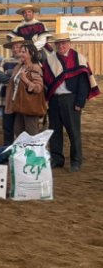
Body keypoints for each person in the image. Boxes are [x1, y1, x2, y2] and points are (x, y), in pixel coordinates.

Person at [42, 35, 100, 172]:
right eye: (58, 44)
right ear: (55, 45)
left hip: (71, 99)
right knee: (54, 131)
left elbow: (84, 83)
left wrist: (80, 102)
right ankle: (57, 159)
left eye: (64, 43)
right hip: (54, 100)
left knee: (73, 132)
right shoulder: (50, 60)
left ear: (69, 43)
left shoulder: (79, 58)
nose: (61, 46)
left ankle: (76, 161)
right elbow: (46, 81)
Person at [4, 42, 46, 137]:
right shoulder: (19, 67)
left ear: (31, 54)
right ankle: (22, 152)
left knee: (31, 136)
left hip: (30, 107)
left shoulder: (35, 68)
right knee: (19, 134)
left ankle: (34, 152)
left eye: (24, 52)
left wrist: (26, 80)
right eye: (20, 52)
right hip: (19, 106)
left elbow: (38, 88)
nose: (20, 54)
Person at [0, 36, 24, 145]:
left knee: (21, 128)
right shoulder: (5, 60)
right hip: (6, 100)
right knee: (7, 127)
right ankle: (7, 151)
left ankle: (20, 153)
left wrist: (8, 73)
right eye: (13, 47)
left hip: (22, 101)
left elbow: (27, 79)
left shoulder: (28, 61)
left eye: (18, 46)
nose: (15, 49)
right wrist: (15, 81)